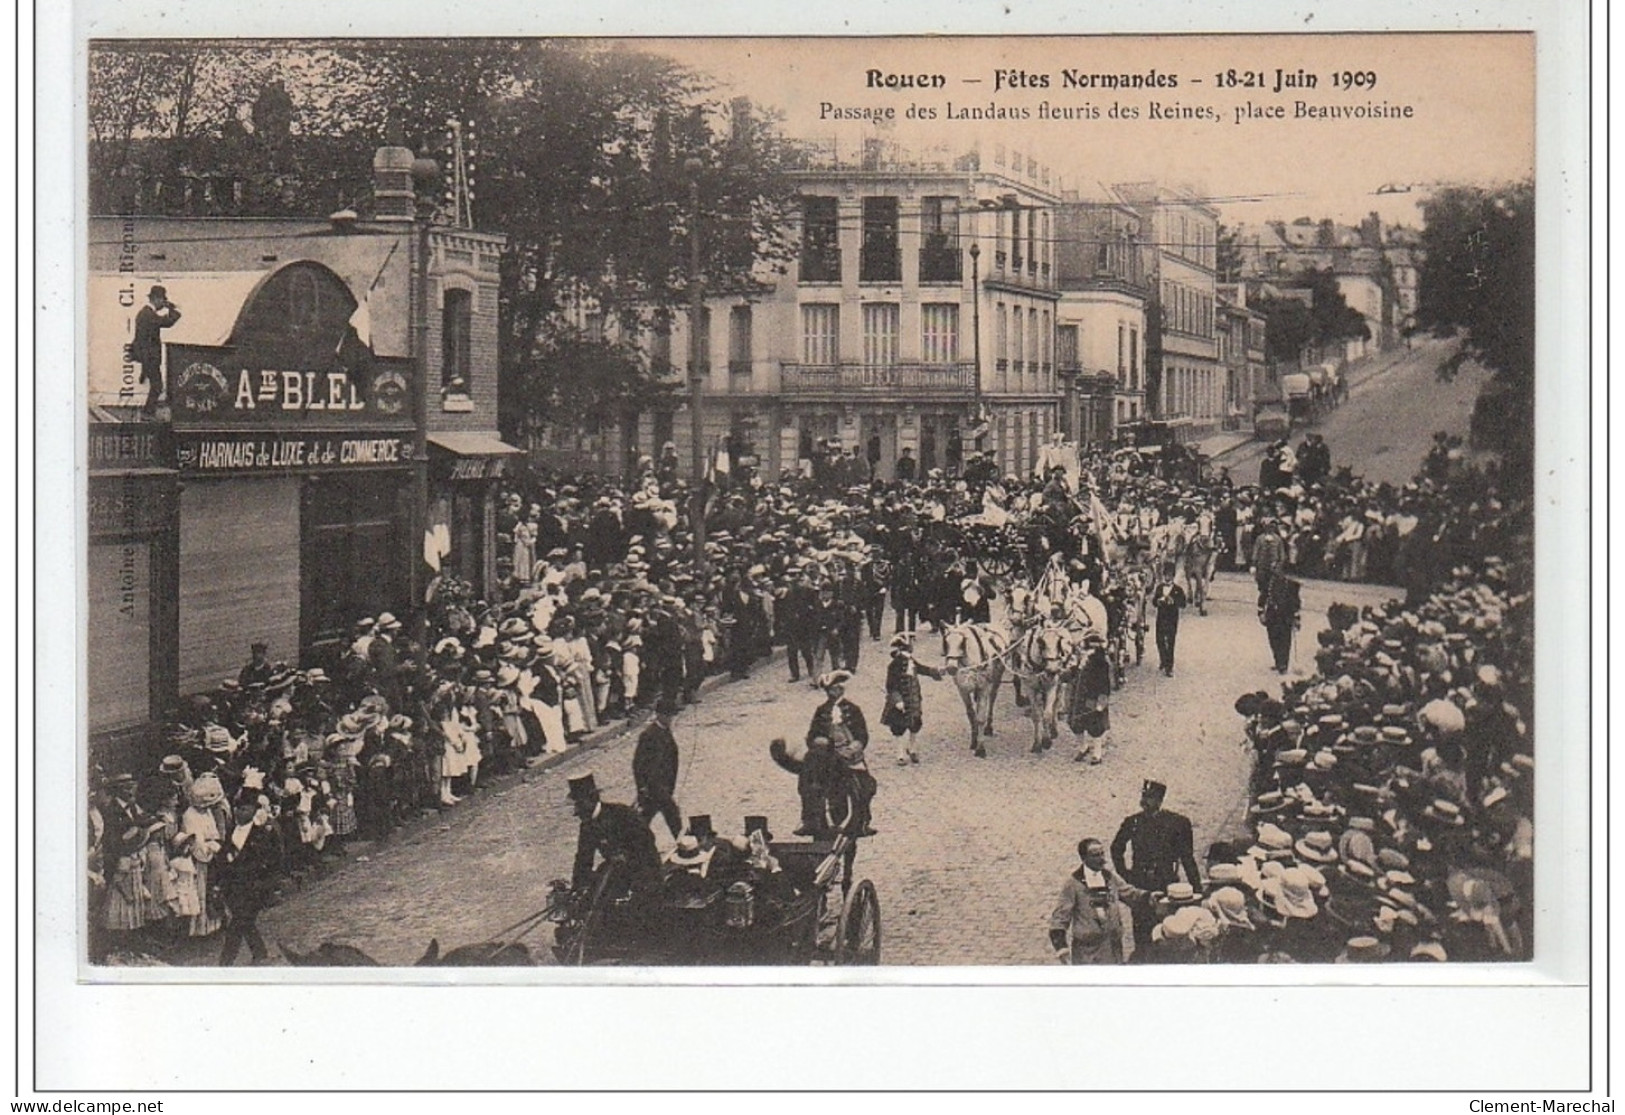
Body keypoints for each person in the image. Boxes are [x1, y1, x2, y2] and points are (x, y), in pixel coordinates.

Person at [1111, 780, 1203, 957]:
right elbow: (1116, 848)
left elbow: (1187, 858)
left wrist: (1196, 889)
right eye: (1144, 796)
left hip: (1166, 884)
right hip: (1141, 884)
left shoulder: (1178, 823)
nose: (1145, 801)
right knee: (1142, 932)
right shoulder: (1133, 822)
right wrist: (1126, 876)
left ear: (1160, 800)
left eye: (1150, 797)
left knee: (1167, 929)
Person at [1049, 838, 1145, 964]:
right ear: (1084, 858)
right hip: (1087, 953)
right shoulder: (1073, 884)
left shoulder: (1109, 877)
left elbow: (1130, 894)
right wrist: (1061, 948)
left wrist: (1150, 897)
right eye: (1095, 855)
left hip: (1113, 949)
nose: (1102, 859)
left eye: (1102, 854)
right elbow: (1060, 919)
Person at [567, 771, 662, 899]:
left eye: (580, 802)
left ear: (593, 798)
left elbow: (647, 840)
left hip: (644, 867)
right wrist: (578, 885)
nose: (577, 809)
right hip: (617, 872)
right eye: (576, 803)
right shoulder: (587, 825)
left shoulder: (622, 813)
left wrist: (626, 855)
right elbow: (583, 858)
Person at [217, 798, 282, 966]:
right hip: (233, 885)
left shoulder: (262, 832)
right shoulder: (232, 830)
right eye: (237, 808)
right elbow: (224, 857)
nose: (240, 812)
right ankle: (260, 953)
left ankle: (225, 963)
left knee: (237, 923)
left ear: (254, 810)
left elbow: (273, 859)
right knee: (244, 921)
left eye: (245, 808)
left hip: (255, 885)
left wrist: (269, 883)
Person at [880, 634, 943, 766]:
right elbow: (890, 686)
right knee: (898, 727)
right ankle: (900, 752)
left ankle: (912, 748)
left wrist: (937, 671)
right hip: (902, 701)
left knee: (915, 724)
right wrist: (897, 700)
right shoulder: (894, 665)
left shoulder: (911, 661)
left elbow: (922, 669)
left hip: (914, 699)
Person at [633, 694, 683, 839]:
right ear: (660, 715)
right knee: (672, 814)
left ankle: (634, 843)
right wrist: (641, 787)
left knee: (645, 818)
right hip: (653, 785)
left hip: (664, 784)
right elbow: (638, 764)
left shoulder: (665, 731)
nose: (671, 719)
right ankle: (682, 843)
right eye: (668, 716)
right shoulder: (648, 735)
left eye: (672, 716)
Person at [132, 284, 181, 416]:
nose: (163, 304)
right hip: (150, 357)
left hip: (147, 357)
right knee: (157, 386)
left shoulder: (145, 313)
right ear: (157, 299)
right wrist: (172, 309)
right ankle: (147, 413)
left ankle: (148, 412)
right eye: (162, 300)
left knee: (156, 385)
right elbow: (167, 322)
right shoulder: (148, 315)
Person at [1259, 569, 1302, 674]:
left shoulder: (1292, 585)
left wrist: (1297, 618)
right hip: (1272, 614)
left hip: (1286, 615)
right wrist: (1260, 613)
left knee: (1285, 640)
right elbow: (1262, 598)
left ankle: (1283, 664)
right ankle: (1278, 660)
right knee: (1273, 639)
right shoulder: (1269, 583)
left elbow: (1296, 602)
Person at [1149, 565, 1187, 677]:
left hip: (1172, 619)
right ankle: (1163, 659)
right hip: (1161, 618)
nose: (1167, 577)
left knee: (1170, 642)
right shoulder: (1160, 588)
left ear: (1173, 576)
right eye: (1166, 575)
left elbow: (1183, 604)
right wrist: (1158, 601)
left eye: (1169, 575)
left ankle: (1169, 667)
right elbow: (1154, 602)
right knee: (1159, 640)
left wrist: (1173, 601)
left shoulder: (1178, 590)